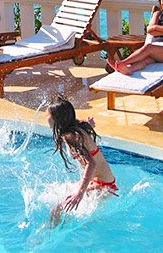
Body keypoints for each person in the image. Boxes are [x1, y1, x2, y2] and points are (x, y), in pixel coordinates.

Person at [46, 96, 117, 227]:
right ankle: (60, 229)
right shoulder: (76, 129)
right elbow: (86, 130)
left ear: (58, 119)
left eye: (48, 115)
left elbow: (92, 163)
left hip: (103, 185)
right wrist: (89, 124)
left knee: (56, 209)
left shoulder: (71, 137)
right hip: (99, 180)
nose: (46, 118)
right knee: (56, 196)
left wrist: (80, 193)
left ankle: (47, 237)